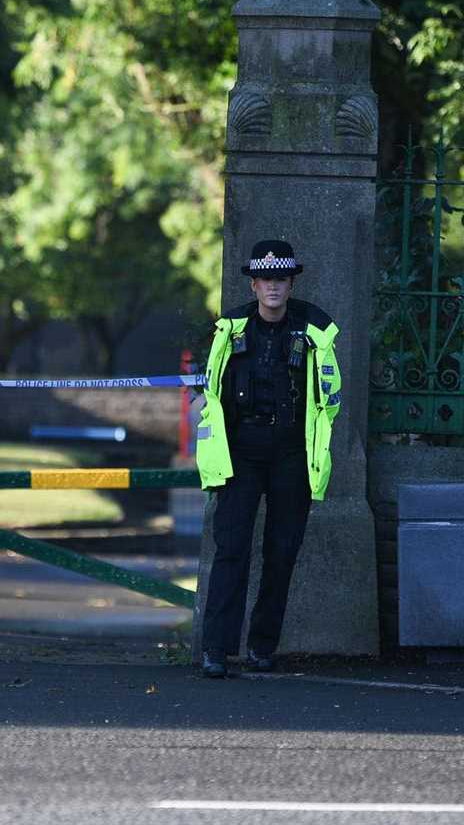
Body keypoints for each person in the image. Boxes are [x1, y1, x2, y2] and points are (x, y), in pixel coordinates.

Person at [195, 239, 342, 678]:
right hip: (241, 453)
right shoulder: (231, 329)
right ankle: (216, 650)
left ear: (290, 283)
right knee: (231, 549)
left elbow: (328, 399)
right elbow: (211, 395)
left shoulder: (313, 331)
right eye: (266, 279)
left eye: (281, 279)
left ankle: (262, 647)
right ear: (254, 284)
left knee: (282, 552)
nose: (273, 287)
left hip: (291, 455)